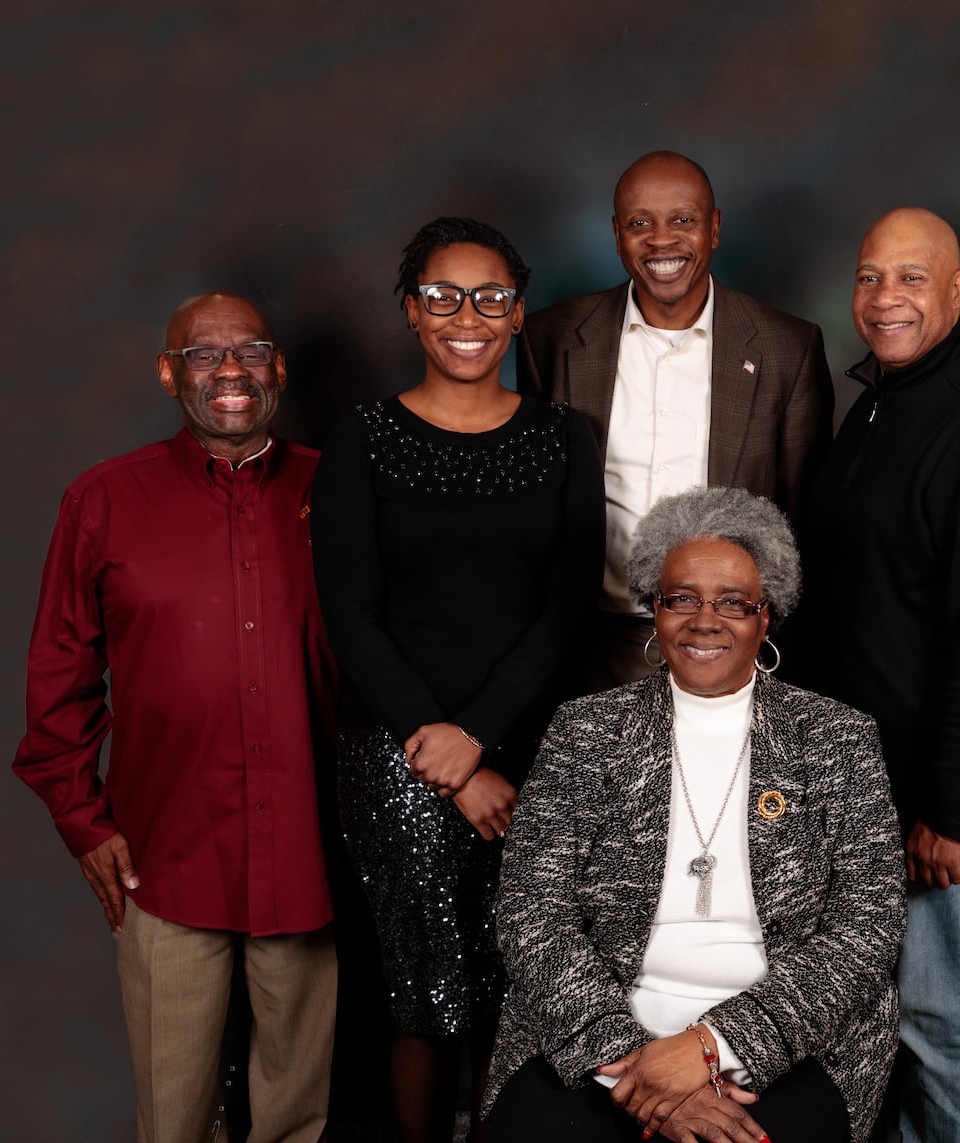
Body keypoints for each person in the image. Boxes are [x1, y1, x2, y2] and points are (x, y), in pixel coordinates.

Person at [483, 486, 906, 1143]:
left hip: (790, 1039)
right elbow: (530, 908)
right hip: (596, 1032)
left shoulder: (837, 737)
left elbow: (869, 924)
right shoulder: (586, 730)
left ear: (767, 617)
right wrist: (632, 1070)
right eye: (682, 597)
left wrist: (715, 1043)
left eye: (733, 602)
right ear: (654, 609)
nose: (705, 620)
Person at [13, 293, 338, 1143]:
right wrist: (83, 822)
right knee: (174, 1114)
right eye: (204, 355)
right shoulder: (101, 501)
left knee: (300, 1114)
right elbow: (59, 676)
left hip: (310, 848)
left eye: (251, 351)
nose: (230, 371)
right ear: (169, 373)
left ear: (279, 368)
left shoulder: (338, 489)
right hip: (165, 856)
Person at [311, 217, 604, 1143]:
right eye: (441, 296)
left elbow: (566, 607)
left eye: (490, 297)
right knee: (423, 990)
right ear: (411, 310)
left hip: (532, 750)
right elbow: (350, 617)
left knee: (517, 980)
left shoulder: (565, 436)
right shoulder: (361, 438)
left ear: (519, 315)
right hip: (398, 753)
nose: (465, 316)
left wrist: (481, 736)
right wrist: (447, 754)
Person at [797, 207, 960, 1142]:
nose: (884, 297)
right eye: (870, 276)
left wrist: (951, 811)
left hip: (936, 802)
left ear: (957, 290)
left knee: (940, 1019)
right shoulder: (877, 403)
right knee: (870, 1017)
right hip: (861, 784)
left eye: (911, 277)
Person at [524, 150, 834, 688]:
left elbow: (804, 520)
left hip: (730, 648)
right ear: (617, 234)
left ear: (714, 229)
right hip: (588, 646)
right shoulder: (551, 337)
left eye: (683, 221)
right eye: (641, 223)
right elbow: (533, 506)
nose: (662, 240)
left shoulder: (789, 348)